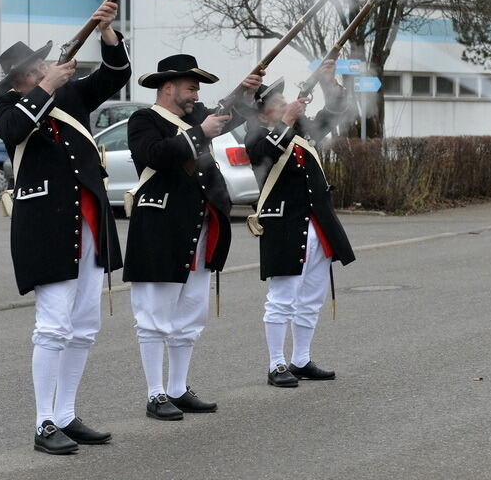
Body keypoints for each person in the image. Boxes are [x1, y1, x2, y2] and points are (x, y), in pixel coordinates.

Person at [0, 1, 129, 455]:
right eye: (40, 64)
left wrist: (108, 33)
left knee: (84, 324)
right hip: (45, 224)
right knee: (52, 326)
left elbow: (115, 76)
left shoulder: (69, 96)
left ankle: (67, 413)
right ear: (25, 76)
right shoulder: (9, 102)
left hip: (88, 219)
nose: (49, 65)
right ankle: (43, 421)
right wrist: (47, 87)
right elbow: (13, 130)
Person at [124, 55, 261, 420]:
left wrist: (245, 90)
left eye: (197, 89)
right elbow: (153, 154)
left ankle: (178, 388)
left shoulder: (195, 117)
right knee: (154, 316)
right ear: (168, 88)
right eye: (190, 88)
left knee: (189, 316)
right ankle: (155, 394)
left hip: (199, 227)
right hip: (160, 229)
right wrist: (200, 132)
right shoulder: (144, 120)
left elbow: (229, 114)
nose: (195, 95)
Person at [244, 62, 356, 387]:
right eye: (277, 104)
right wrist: (287, 119)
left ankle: (301, 358)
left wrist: (327, 81)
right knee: (282, 298)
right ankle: (276, 363)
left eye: (284, 102)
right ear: (264, 114)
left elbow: (335, 111)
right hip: (283, 224)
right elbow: (266, 153)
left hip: (316, 225)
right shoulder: (256, 136)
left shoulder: (301, 131)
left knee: (311, 298)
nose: (285, 105)